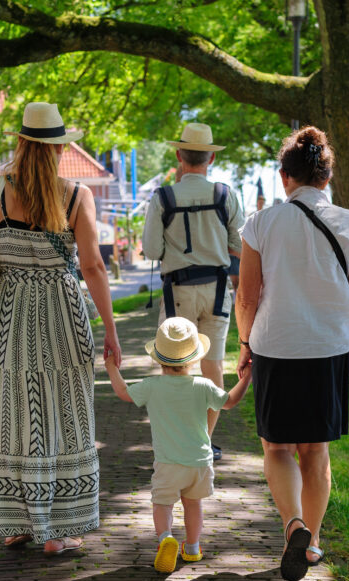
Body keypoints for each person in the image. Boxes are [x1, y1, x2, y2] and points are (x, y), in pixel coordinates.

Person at [235, 126, 349, 581]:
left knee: (277, 446)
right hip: (329, 348)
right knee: (314, 451)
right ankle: (312, 543)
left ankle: (293, 525)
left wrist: (245, 345)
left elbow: (246, 296)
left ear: (285, 177)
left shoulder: (260, 223)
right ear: (327, 177)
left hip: (276, 346)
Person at [0, 102, 122, 556]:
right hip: (62, 311)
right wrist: (111, 330)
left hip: (10, 315)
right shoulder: (77, 195)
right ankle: (59, 530)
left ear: (20, 141)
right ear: (59, 147)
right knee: (68, 413)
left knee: (13, 414)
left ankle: (18, 522)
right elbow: (94, 267)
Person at [104, 317, 250, 573]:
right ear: (194, 358)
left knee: (162, 504)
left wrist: (111, 368)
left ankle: (166, 539)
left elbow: (123, 392)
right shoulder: (203, 385)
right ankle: (192, 548)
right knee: (193, 504)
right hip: (200, 463)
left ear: (157, 357)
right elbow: (229, 402)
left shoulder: (152, 387)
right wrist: (247, 377)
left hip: (168, 462)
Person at [142, 122, 244, 462]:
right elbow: (237, 246)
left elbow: (152, 250)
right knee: (213, 366)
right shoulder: (225, 195)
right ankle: (205, 441)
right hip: (217, 291)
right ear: (212, 157)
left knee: (174, 365)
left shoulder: (163, 198)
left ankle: (174, 443)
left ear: (178, 155)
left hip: (178, 292)